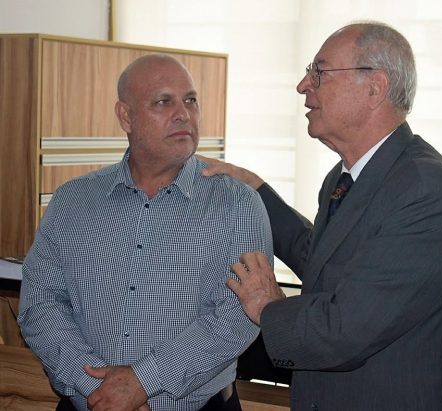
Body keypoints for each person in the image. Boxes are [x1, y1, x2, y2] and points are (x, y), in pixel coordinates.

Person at [202, 21, 442, 410]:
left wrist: (268, 307)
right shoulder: (346, 175)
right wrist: (256, 189)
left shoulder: (429, 191)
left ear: (375, 88)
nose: (303, 86)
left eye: (320, 72)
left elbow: (346, 329)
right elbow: (326, 261)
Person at [17, 54, 273, 411]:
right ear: (125, 116)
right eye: (163, 102)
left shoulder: (238, 204)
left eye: (190, 100)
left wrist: (142, 382)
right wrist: (98, 388)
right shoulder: (72, 201)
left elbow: (238, 316)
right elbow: (41, 303)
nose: (183, 114)